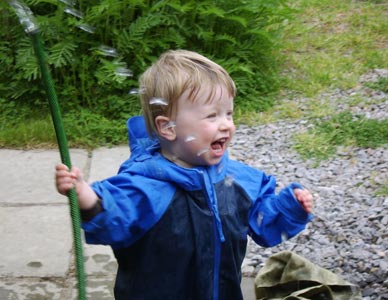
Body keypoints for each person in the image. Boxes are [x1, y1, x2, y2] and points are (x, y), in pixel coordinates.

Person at [56, 49, 313, 300]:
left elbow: (263, 222)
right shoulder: (147, 188)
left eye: (229, 113)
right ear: (168, 127)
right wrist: (85, 195)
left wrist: (289, 207)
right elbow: (113, 214)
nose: (226, 124)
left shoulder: (237, 180)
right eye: (212, 116)